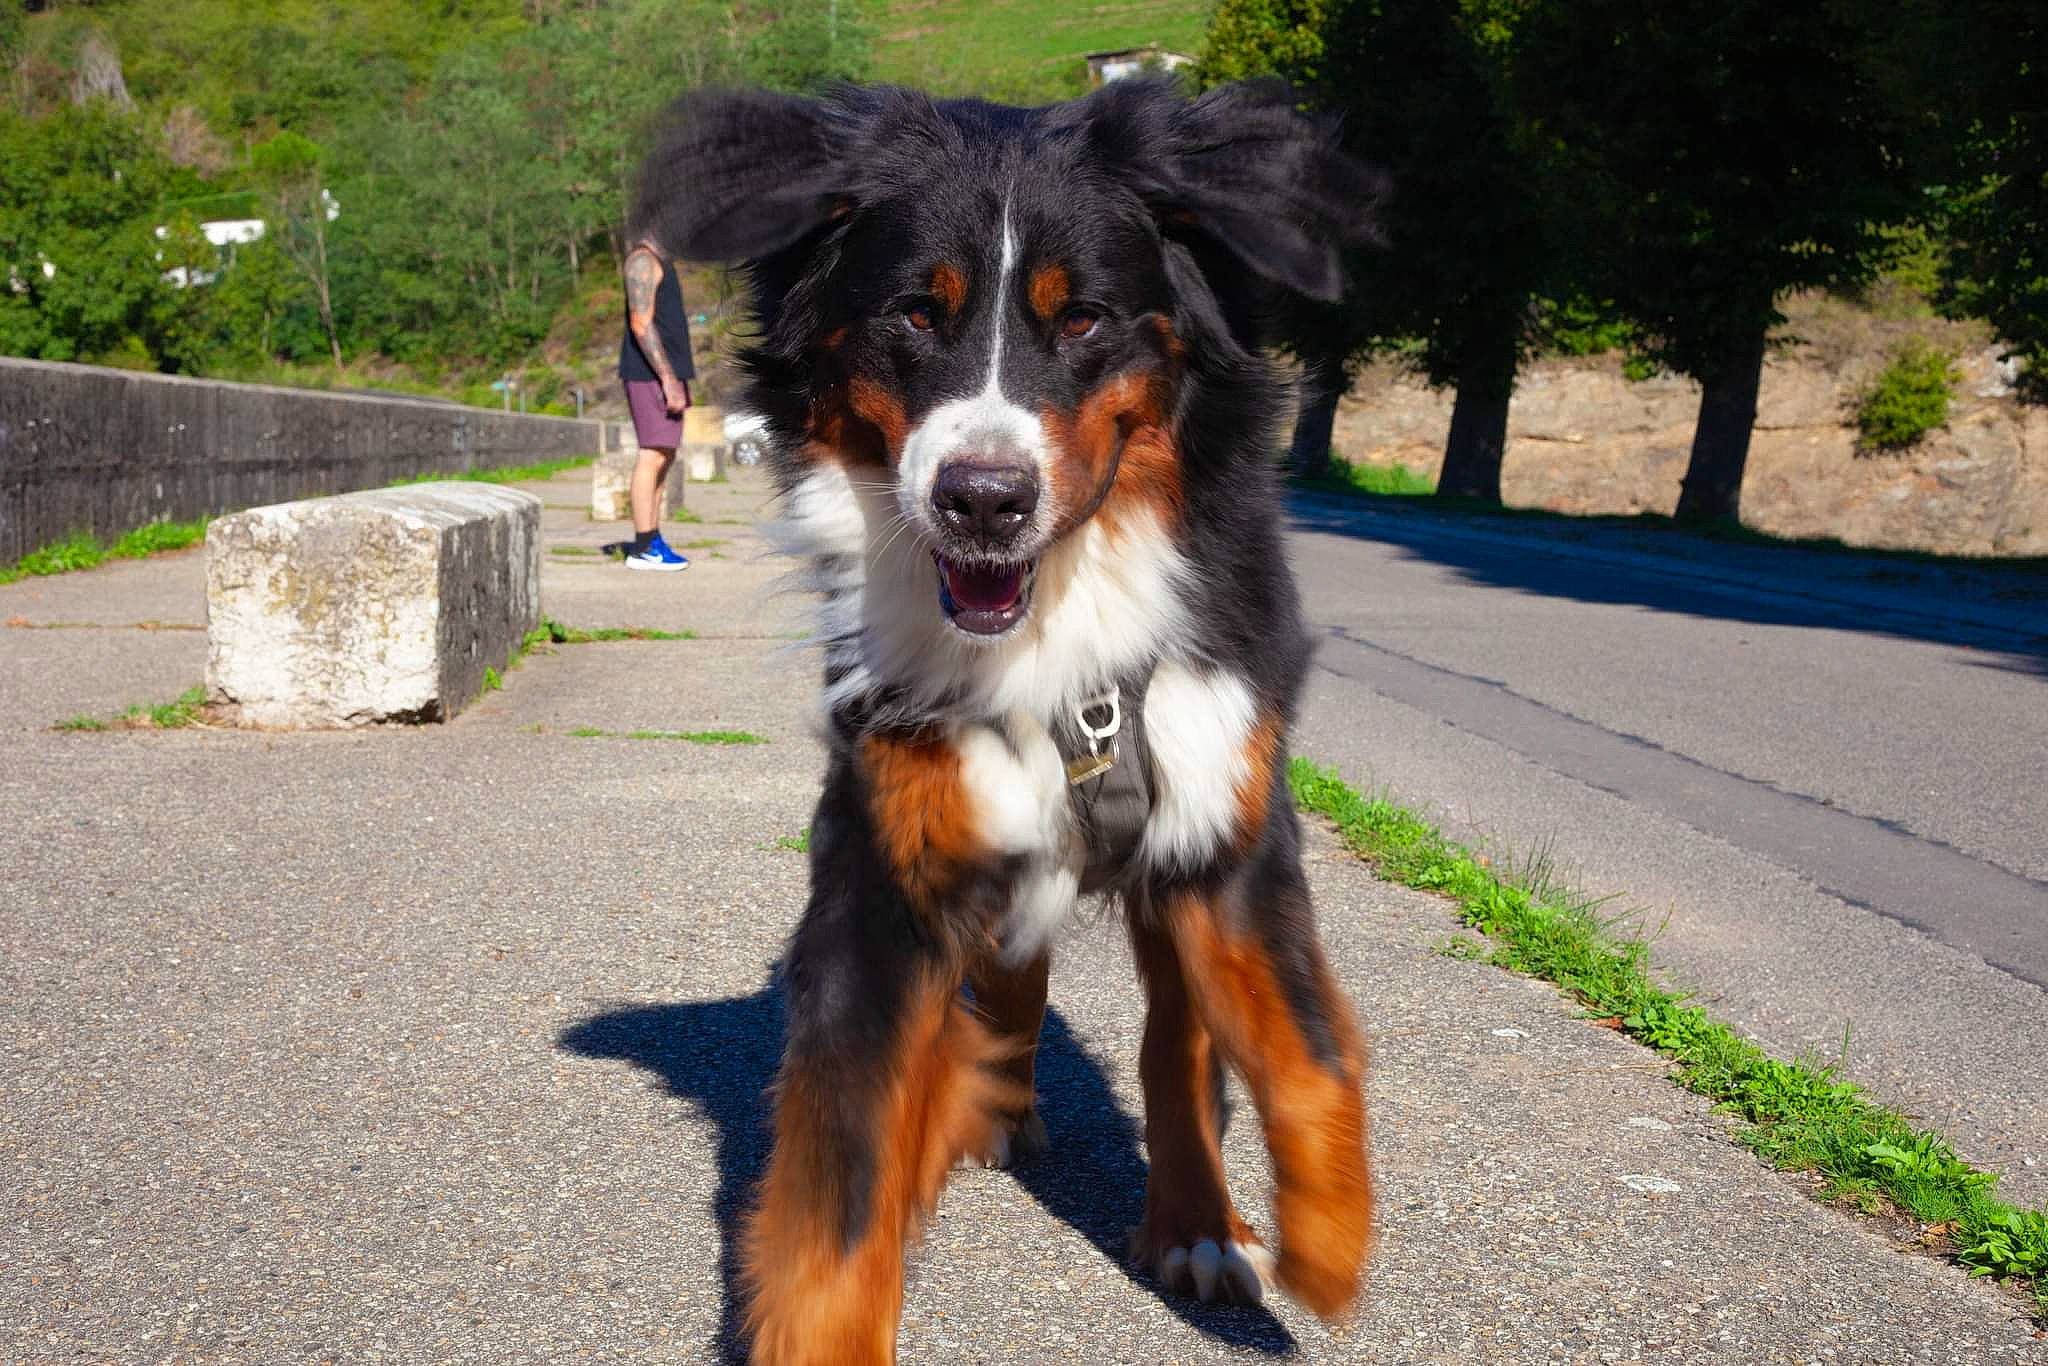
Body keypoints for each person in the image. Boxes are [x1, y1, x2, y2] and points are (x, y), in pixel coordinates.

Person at [617, 239, 697, 571]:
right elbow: (641, 323)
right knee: (652, 453)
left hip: (666, 373)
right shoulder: (642, 260)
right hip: (650, 374)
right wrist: (666, 378)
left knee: (664, 454)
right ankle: (643, 545)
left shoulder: (661, 259)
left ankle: (652, 539)